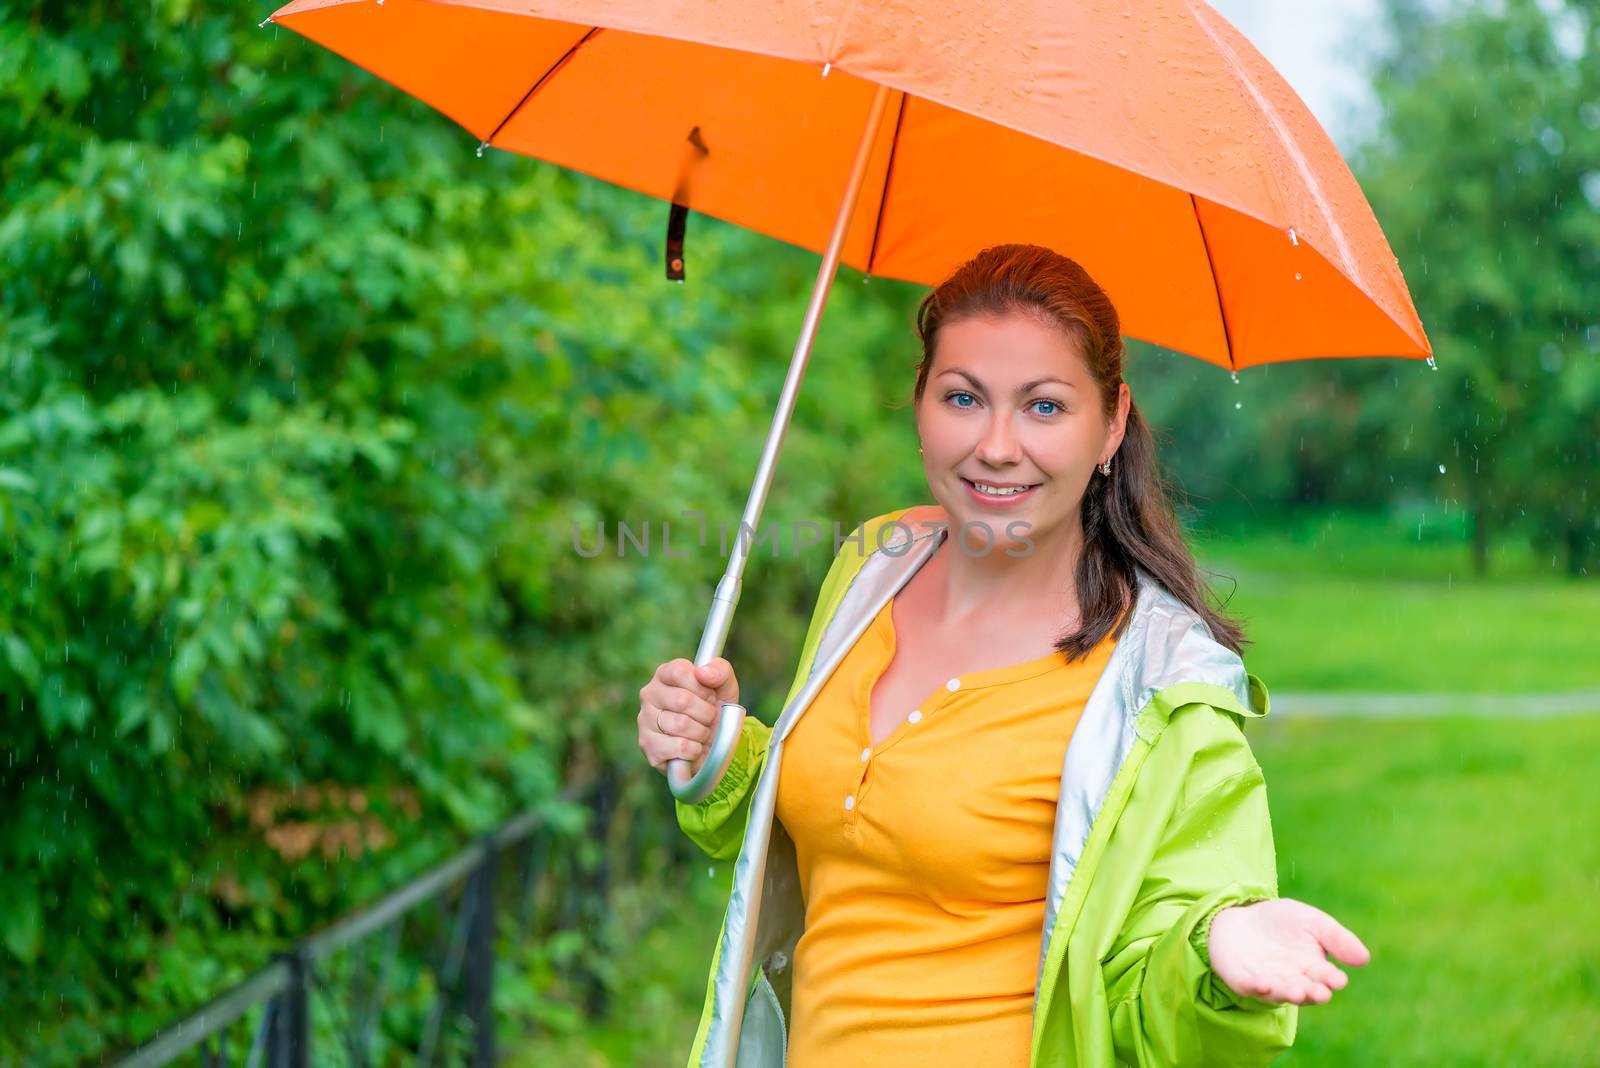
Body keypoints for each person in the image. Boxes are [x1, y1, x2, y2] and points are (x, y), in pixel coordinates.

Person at [637, 244, 1369, 1068]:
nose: (995, 445)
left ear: (1113, 423)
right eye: (963, 397)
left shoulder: (1159, 691)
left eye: (1044, 407)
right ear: (919, 403)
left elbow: (1135, 1008)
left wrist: (1212, 953)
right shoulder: (874, 565)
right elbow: (840, 833)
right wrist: (721, 755)